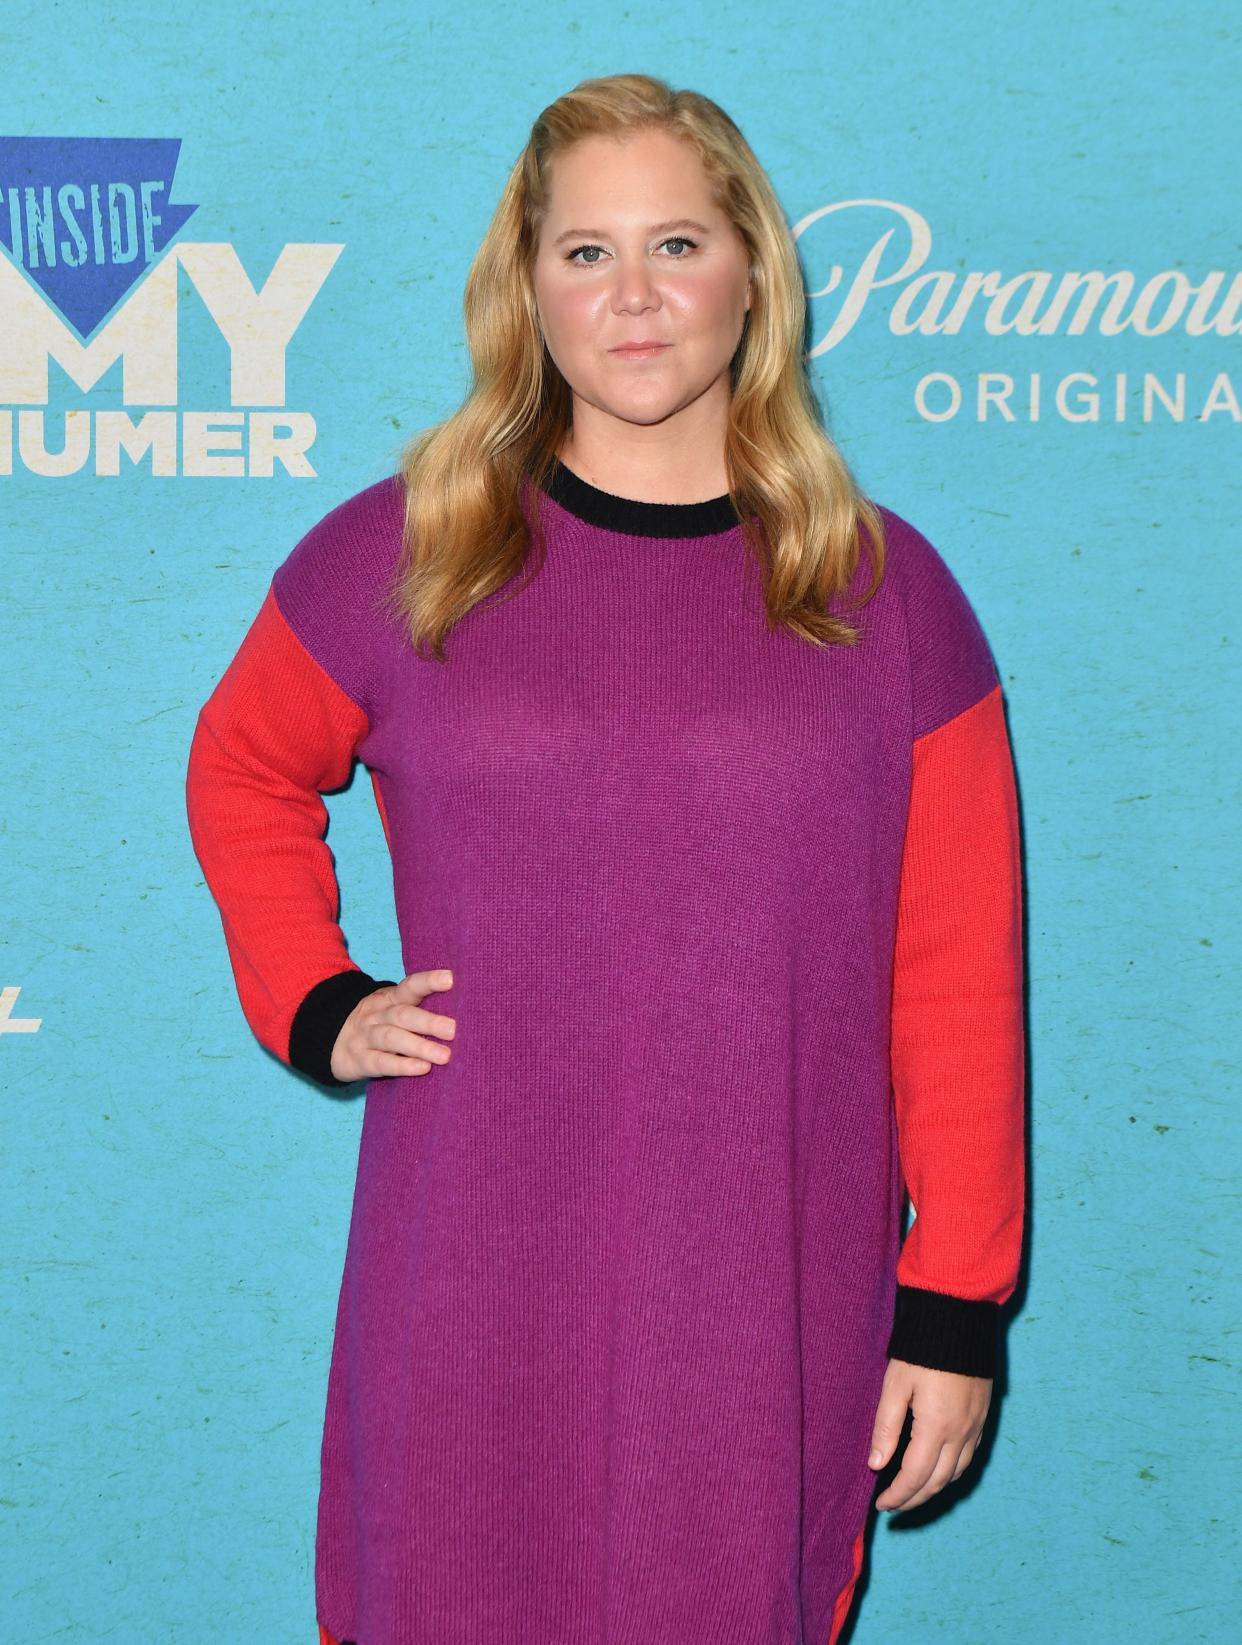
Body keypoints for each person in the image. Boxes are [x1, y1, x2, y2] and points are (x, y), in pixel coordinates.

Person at [185, 72, 1025, 1645]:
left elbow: (957, 977)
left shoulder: (886, 595)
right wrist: (315, 994)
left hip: (764, 1277)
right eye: (583, 252)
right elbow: (241, 766)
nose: (631, 296)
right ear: (524, 287)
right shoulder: (405, 551)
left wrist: (955, 1300)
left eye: (676, 243)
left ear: (753, 274)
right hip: (470, 1260)